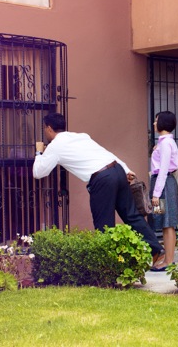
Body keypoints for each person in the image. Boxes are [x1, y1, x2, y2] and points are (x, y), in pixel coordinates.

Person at [32, 112, 164, 263]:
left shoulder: (54, 146)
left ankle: (108, 264)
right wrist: (126, 169)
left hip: (102, 179)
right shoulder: (81, 136)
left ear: (49, 128)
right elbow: (105, 153)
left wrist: (39, 152)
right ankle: (156, 250)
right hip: (117, 170)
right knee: (131, 215)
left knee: (104, 224)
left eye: (44, 128)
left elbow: (38, 172)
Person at [148, 111, 178, 272]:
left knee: (168, 223)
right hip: (162, 183)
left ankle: (168, 261)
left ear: (162, 123)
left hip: (164, 185)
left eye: (156, 121)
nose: (154, 124)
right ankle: (166, 259)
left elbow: (163, 170)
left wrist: (156, 193)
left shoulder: (166, 144)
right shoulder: (163, 143)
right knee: (162, 221)